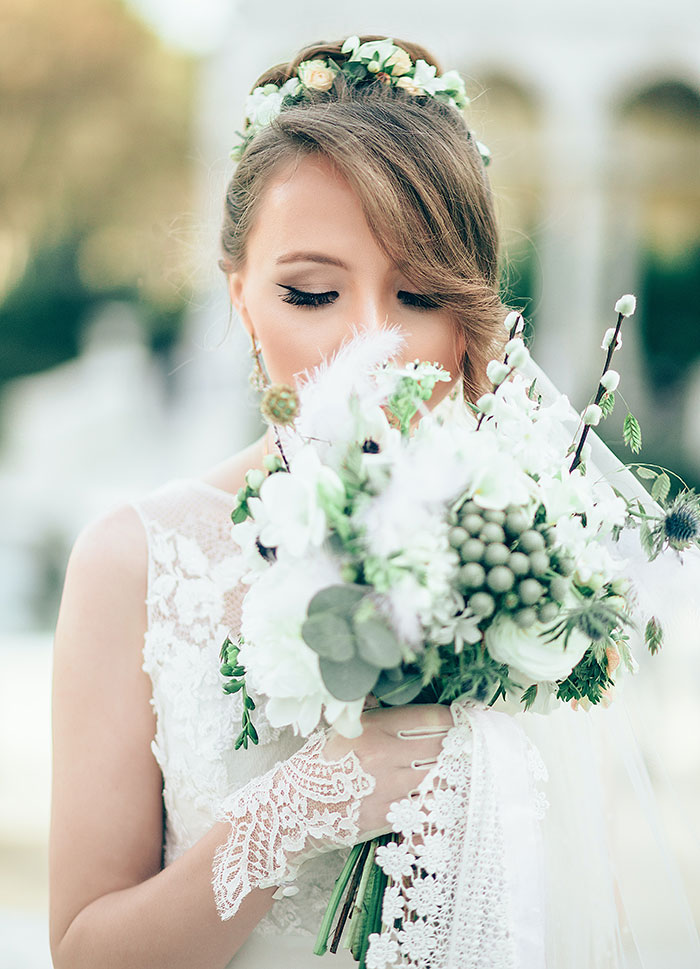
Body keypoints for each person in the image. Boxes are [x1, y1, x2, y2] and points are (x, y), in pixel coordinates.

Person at [48, 34, 699, 969]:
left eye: (420, 294)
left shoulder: (529, 545)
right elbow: (81, 950)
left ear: (470, 314)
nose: (370, 343)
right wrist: (294, 811)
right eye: (311, 291)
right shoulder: (135, 561)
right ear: (240, 297)